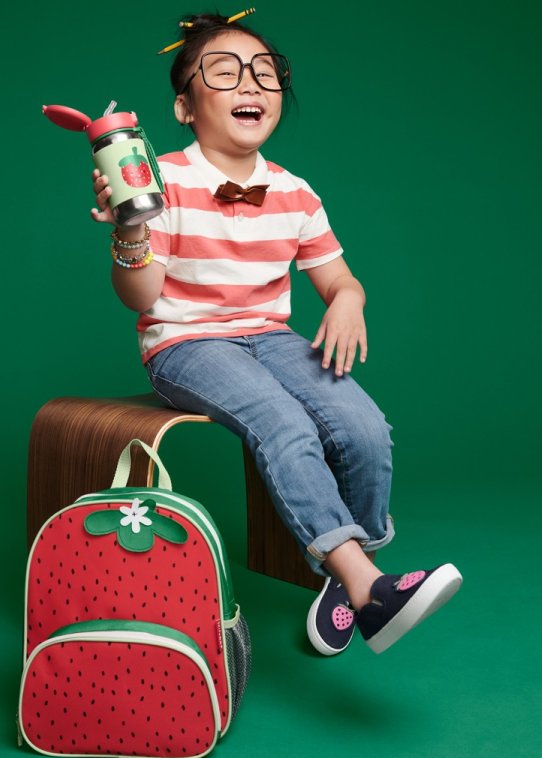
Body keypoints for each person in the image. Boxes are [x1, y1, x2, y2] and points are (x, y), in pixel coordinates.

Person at [89, 10, 462, 655]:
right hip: (186, 343)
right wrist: (130, 230)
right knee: (284, 424)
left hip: (270, 339)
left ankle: (349, 581)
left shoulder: (295, 192)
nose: (251, 84)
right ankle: (370, 588)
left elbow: (340, 279)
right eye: (224, 72)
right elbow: (140, 298)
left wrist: (349, 300)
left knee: (365, 429)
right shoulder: (160, 180)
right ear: (185, 107)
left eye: (265, 73)